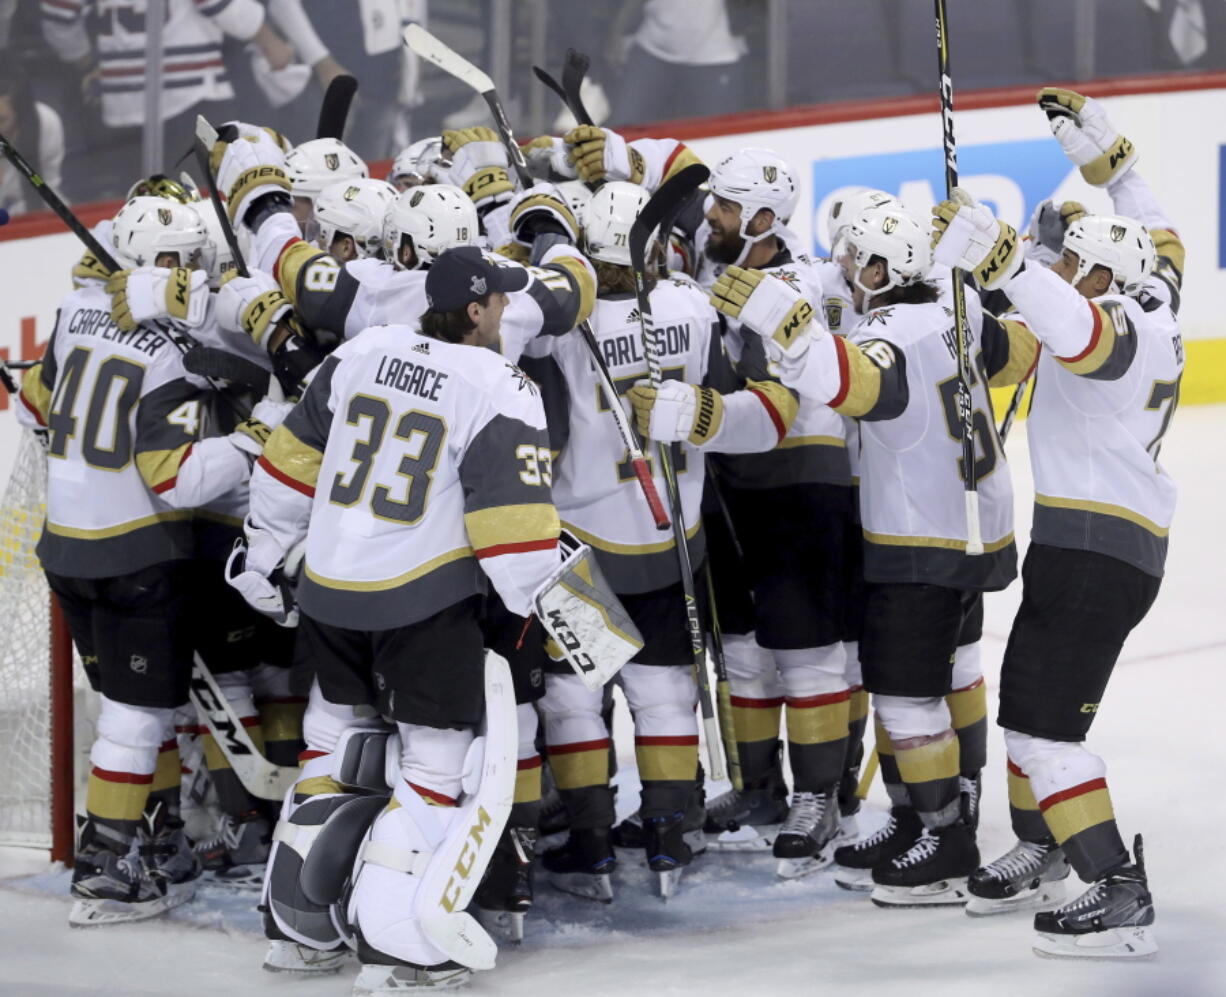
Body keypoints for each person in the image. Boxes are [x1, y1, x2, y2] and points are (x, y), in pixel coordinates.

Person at [229, 246, 566, 988]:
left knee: (332, 754)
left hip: (330, 591)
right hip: (423, 602)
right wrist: (552, 609)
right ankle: (399, 942)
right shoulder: (498, 384)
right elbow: (513, 534)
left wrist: (262, 552)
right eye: (501, 301)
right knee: (434, 769)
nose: (509, 311)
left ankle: (298, 930)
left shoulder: (363, 351)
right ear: (475, 310)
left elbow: (286, 466)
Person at [712, 202, 1026, 906]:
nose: (847, 271)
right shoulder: (958, 306)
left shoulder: (889, 328)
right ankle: (918, 817)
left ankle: (946, 840)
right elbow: (1019, 353)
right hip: (975, 525)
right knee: (922, 682)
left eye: (856, 259)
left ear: (885, 268)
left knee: (908, 700)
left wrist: (782, 320)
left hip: (920, 540)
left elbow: (852, 385)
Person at [932, 87, 1182, 959]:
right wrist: (1110, 156)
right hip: (1098, 547)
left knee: (1044, 728)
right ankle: (1041, 847)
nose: (1062, 265)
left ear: (1107, 278)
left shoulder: (1117, 326)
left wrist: (1008, 261)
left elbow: (1076, 330)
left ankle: (1115, 887)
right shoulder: (1159, 297)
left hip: (1093, 555)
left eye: (1075, 259)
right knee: (1030, 708)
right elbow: (1155, 227)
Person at [526, 180, 798, 900]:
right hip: (674, 537)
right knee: (665, 695)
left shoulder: (557, 329)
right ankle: (670, 836)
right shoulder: (690, 307)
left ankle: (589, 842)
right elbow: (728, 403)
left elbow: (542, 436)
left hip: (580, 547)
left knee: (573, 699)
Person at [16, 195, 279, 925]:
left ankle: (154, 839)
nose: (195, 271)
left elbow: (31, 408)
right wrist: (258, 438)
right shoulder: (166, 348)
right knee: (137, 717)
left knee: (136, 711)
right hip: (137, 553)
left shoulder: (71, 312)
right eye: (186, 260)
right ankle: (108, 866)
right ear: (162, 265)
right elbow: (178, 478)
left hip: (65, 547)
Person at [0, 65, 65, 217]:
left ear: (19, 112)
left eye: (1, 120)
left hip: (31, 207)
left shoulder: (46, 123)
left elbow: (45, 185)